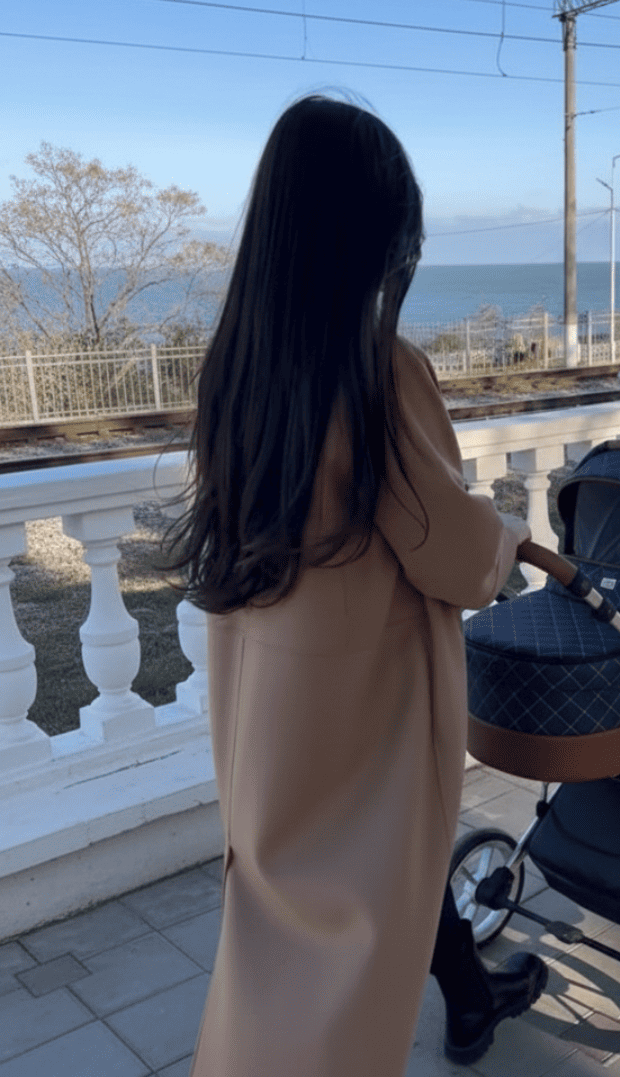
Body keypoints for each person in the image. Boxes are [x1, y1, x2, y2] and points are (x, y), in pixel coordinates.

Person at [168, 94, 545, 1076]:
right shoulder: (378, 373)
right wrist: (509, 538)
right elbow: (449, 549)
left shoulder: (235, 368)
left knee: (276, 918)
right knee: (357, 937)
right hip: (359, 713)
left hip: (264, 701)